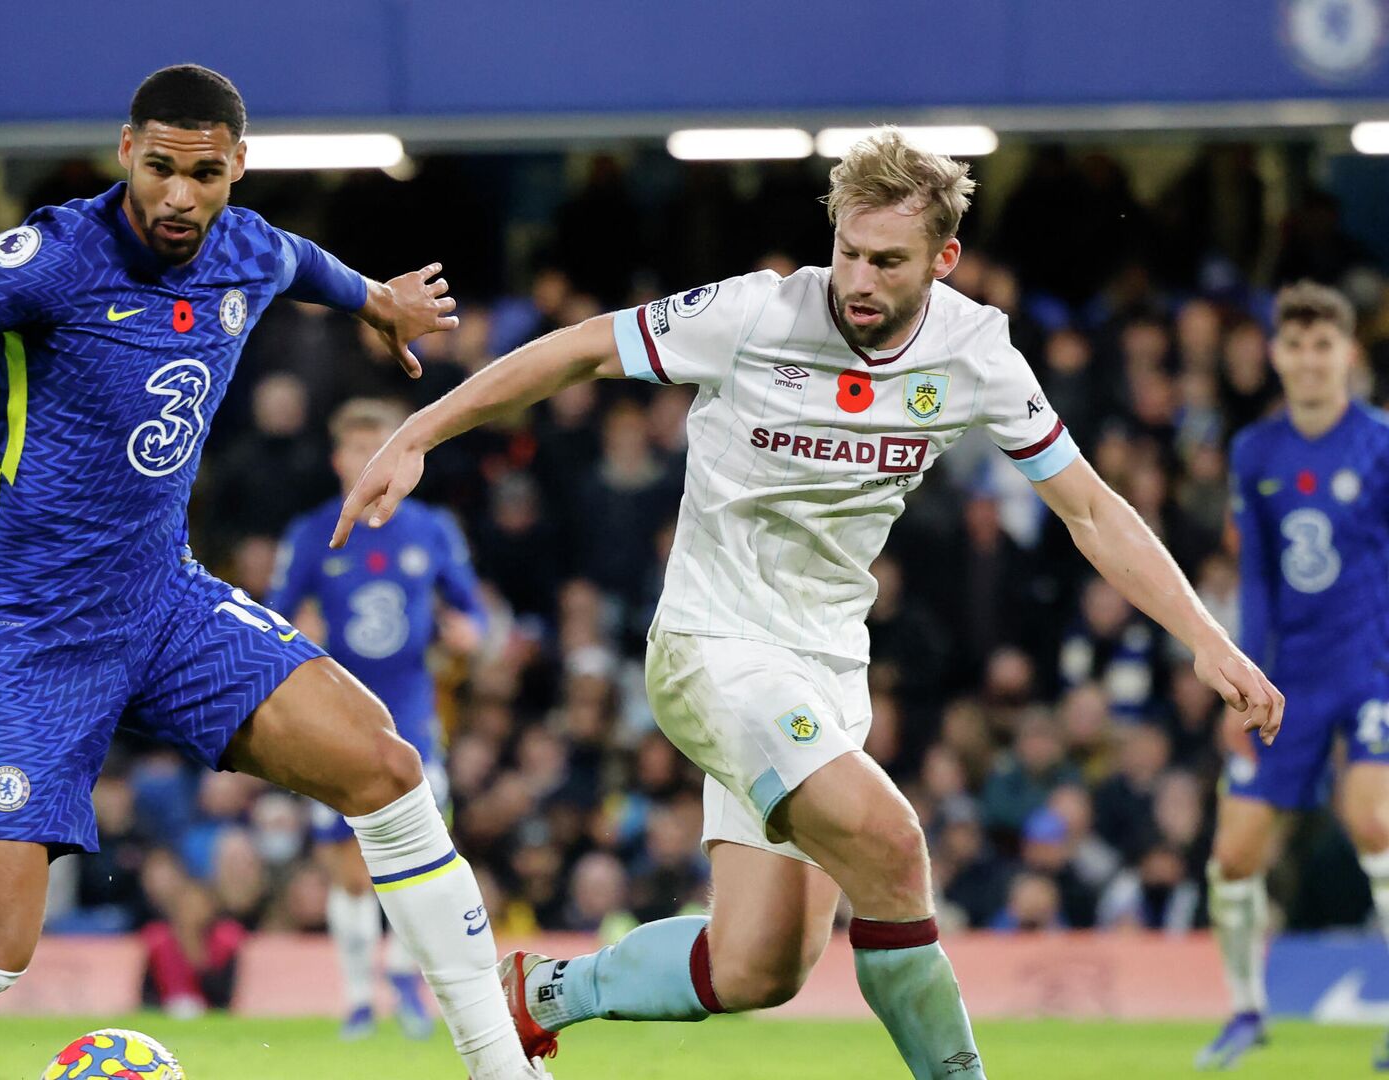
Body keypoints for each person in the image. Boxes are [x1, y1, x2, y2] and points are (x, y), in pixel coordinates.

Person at [334, 127, 1283, 1080]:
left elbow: (1086, 506)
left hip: (826, 666)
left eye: (889, 262)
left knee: (759, 966)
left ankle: (535, 995)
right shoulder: (753, 312)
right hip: (713, 646)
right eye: (849, 252)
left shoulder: (975, 351)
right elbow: (582, 352)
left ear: (944, 259)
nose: (860, 280)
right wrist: (422, 431)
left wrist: (1206, 637)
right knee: (893, 843)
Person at [0, 65, 546, 1080]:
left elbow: (294, 260)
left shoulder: (244, 245)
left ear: (236, 167)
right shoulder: (50, 260)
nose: (177, 195)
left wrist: (373, 300)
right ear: (127, 151)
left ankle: (502, 1065)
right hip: (25, 628)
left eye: (203, 173)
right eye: (158, 167)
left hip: (163, 600)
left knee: (386, 768)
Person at [1197, 282, 1389, 1071]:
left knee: (1376, 823)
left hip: (1371, 667)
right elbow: (1263, 581)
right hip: (1289, 679)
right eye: (1295, 345)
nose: (1309, 361)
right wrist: (1244, 674)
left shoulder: (1380, 445)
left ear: (1348, 354)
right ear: (1275, 356)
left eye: (1323, 346)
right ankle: (1246, 1011)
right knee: (1234, 857)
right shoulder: (1256, 452)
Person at [269, 397, 487, 1041]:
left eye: (379, 449)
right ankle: (359, 997)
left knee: (419, 850)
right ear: (339, 459)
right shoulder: (312, 532)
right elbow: (274, 617)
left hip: (414, 715)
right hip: (335, 714)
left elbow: (472, 610)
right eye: (357, 450)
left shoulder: (432, 529)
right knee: (346, 863)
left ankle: (402, 980)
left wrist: (468, 631)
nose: (368, 462)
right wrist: (292, 633)